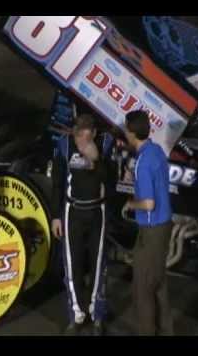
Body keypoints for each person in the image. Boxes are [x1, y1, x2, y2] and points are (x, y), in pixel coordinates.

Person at [51, 113, 113, 336]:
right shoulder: (65, 145)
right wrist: (55, 216)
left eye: (86, 139)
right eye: (78, 138)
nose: (81, 143)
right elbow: (57, 181)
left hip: (98, 210)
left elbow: (111, 180)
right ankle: (76, 314)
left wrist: (95, 162)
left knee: (98, 265)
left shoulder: (105, 144)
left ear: (94, 134)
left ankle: (97, 315)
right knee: (72, 264)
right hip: (72, 211)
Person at [122, 110, 174, 336]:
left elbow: (149, 204)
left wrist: (131, 205)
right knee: (159, 285)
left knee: (142, 290)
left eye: (126, 130)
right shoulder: (157, 151)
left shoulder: (142, 162)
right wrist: (133, 179)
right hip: (164, 227)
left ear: (132, 133)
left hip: (151, 230)